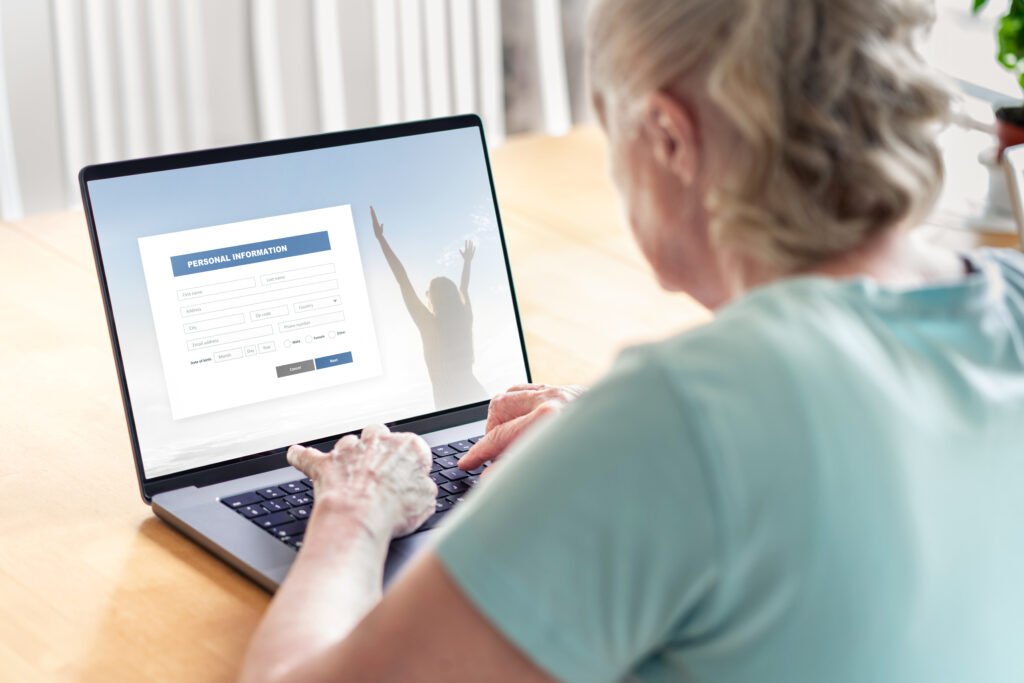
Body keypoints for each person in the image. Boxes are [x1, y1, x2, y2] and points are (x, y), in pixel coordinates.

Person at [240, 1, 1024, 681]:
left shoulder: (683, 416)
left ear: (669, 138)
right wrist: (602, 429)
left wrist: (352, 509)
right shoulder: (1009, 304)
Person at [371, 205, 488, 410]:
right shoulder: (464, 318)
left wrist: (381, 240)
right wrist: (467, 263)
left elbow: (403, 279)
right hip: (478, 397)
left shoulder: (429, 325)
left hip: (449, 403)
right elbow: (464, 288)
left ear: (433, 298)